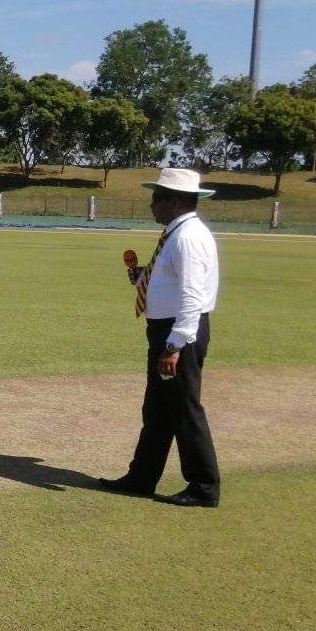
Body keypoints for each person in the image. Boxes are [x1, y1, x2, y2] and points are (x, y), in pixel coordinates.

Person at [101, 168, 222, 507]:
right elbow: (174, 280)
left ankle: (204, 487)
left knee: (184, 409)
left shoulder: (187, 238)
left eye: (156, 198)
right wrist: (144, 277)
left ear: (175, 201)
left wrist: (174, 345)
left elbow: (191, 296)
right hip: (167, 331)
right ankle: (141, 478)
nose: (151, 205)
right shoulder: (177, 234)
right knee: (158, 409)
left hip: (178, 333)